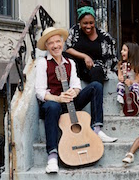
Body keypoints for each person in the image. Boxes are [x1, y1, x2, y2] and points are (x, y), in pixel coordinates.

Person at [35, 27, 117, 174]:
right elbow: (40, 92)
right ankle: (52, 156)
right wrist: (58, 98)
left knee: (96, 86)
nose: (55, 46)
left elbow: (76, 85)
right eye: (51, 43)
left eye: (58, 41)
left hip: (70, 102)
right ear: (47, 46)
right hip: (53, 105)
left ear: (62, 42)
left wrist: (74, 92)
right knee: (52, 107)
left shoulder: (69, 62)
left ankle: (96, 129)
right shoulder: (43, 63)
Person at [65, 0, 118, 85]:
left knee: (97, 69)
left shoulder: (104, 37)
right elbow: (68, 49)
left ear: (94, 21)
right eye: (85, 23)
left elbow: (111, 59)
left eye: (91, 23)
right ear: (80, 22)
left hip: (96, 71)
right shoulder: (74, 31)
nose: (88, 26)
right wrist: (85, 56)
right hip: (78, 68)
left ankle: (95, 94)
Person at [116, 42, 139, 114]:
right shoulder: (120, 64)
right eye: (122, 50)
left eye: (124, 50)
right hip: (124, 84)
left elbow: (137, 80)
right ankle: (123, 106)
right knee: (119, 85)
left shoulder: (138, 65)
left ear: (131, 52)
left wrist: (131, 82)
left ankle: (136, 105)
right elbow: (119, 76)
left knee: (136, 87)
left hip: (132, 84)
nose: (122, 52)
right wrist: (121, 78)